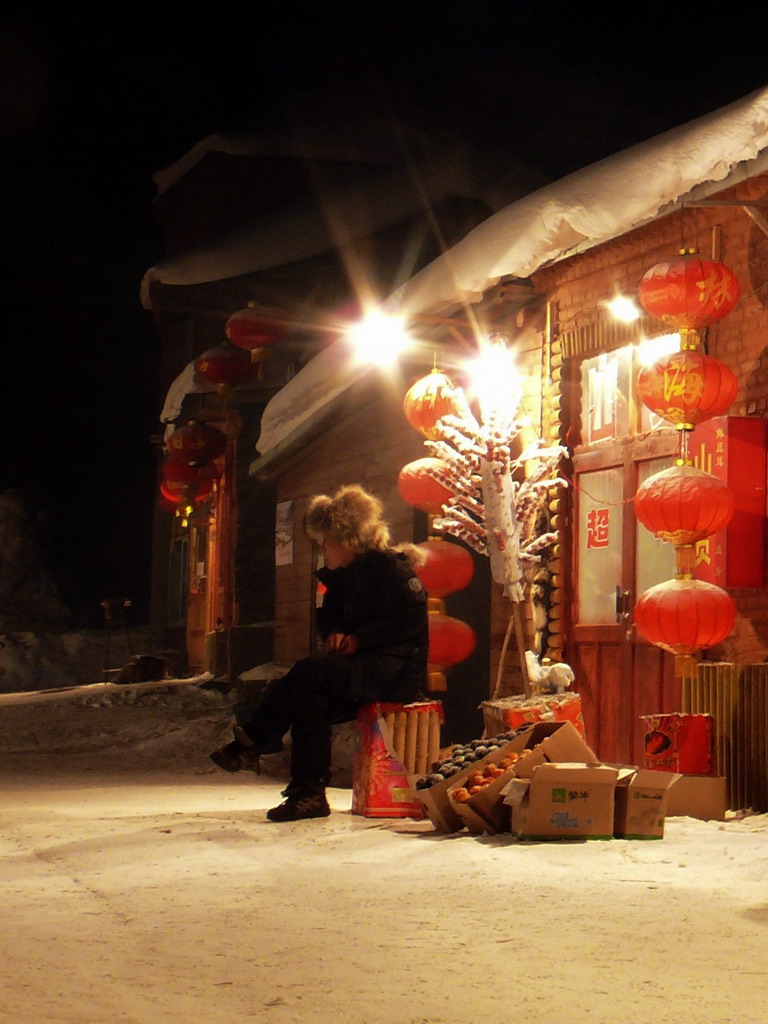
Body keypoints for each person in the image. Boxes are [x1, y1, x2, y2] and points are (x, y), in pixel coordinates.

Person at [210, 484, 429, 822]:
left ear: (348, 540)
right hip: (357, 671)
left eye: (326, 541)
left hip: (393, 672)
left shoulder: (391, 570)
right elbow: (329, 617)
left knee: (311, 671)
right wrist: (336, 633)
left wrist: (361, 640)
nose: (323, 549)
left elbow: (409, 624)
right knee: (312, 702)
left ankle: (254, 740)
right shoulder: (342, 578)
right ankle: (308, 794)